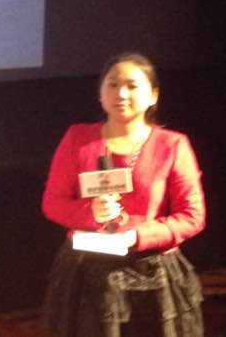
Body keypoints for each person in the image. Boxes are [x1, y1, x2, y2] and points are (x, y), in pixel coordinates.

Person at [41, 52, 206, 337]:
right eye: (113, 84)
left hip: (153, 271)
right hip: (87, 270)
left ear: (153, 95)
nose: (121, 94)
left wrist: (139, 235)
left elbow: (192, 216)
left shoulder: (173, 145)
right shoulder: (78, 138)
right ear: (101, 93)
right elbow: (52, 203)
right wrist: (90, 213)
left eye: (132, 85)